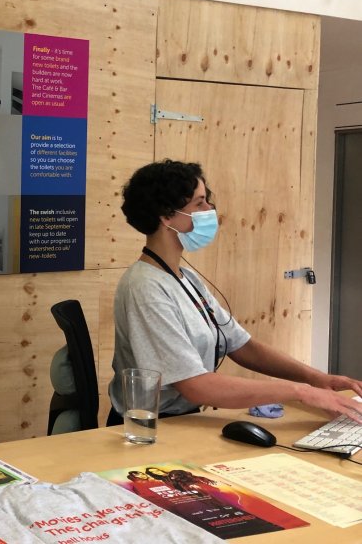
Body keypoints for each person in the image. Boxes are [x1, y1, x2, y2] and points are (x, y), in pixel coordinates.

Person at [107, 159, 362, 426]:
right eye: (199, 203)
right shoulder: (145, 288)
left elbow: (243, 347)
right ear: (166, 215)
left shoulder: (184, 276)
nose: (210, 210)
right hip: (153, 428)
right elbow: (197, 386)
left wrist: (316, 379)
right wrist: (301, 392)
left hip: (186, 420)